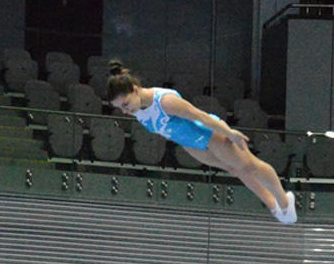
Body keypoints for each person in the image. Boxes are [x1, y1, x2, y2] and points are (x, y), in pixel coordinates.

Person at [106, 68, 296, 224]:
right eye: (120, 108)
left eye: (125, 104)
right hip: (191, 145)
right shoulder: (138, 110)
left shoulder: (166, 102)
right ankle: (274, 207)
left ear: (135, 89)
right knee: (236, 170)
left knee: (250, 166)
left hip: (211, 135)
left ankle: (284, 201)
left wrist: (229, 133)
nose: (125, 111)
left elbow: (201, 116)